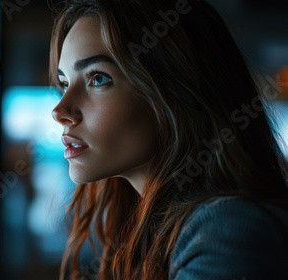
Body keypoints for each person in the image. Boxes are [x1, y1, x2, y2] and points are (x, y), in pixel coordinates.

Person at [49, 0, 288, 279]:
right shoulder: (160, 225)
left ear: (176, 91)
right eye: (65, 83)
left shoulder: (227, 229)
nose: (60, 111)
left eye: (98, 78)